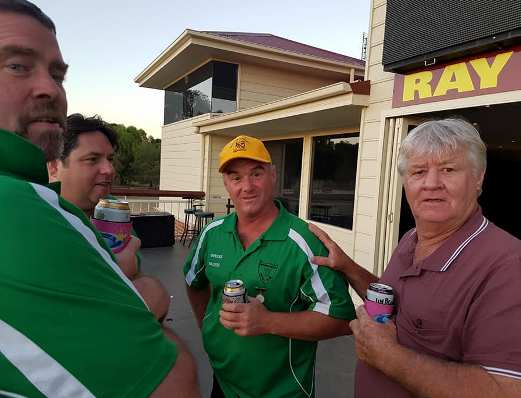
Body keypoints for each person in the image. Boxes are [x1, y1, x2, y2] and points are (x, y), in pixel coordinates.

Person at [0, 1, 199, 397]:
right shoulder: (28, 212)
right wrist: (141, 301)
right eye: (17, 65)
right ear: (56, 166)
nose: (50, 88)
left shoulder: (85, 227)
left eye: (58, 74)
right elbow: (174, 383)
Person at [309, 118, 521, 397]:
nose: (432, 184)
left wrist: (387, 356)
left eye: (448, 169)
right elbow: (398, 307)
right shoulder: (412, 238)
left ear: (478, 176)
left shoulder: (507, 264)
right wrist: (347, 267)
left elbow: (504, 390)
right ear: (406, 181)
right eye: (419, 171)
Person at [183, 135, 356, 397]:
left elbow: (341, 319)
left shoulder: (305, 241)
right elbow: (194, 284)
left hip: (280, 391)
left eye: (256, 173)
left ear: (273, 175)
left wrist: (268, 321)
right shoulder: (211, 234)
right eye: (236, 177)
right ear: (226, 184)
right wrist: (209, 329)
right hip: (223, 381)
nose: (247, 186)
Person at [47, 113, 170, 320]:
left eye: (110, 159)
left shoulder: (112, 210)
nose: (109, 169)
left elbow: (136, 278)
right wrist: (113, 268)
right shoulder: (38, 214)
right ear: (54, 167)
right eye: (92, 159)